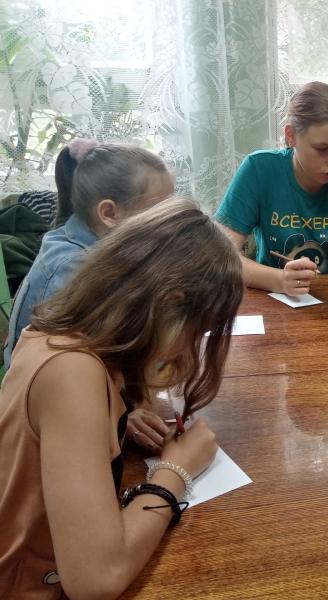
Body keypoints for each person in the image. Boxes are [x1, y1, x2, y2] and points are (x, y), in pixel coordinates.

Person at [0, 198, 243, 600]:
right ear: (169, 305)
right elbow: (97, 578)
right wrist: (176, 471)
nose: (191, 348)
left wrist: (113, 424)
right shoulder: (72, 372)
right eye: (198, 331)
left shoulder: (67, 338)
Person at [4, 139, 176, 451]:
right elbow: (70, 376)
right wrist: (122, 414)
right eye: (158, 213)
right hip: (44, 426)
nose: (170, 226)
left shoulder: (106, 243)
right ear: (109, 213)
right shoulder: (72, 270)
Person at [215, 81, 328, 295]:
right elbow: (218, 256)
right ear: (291, 136)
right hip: (277, 300)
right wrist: (279, 280)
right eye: (322, 149)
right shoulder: (259, 168)